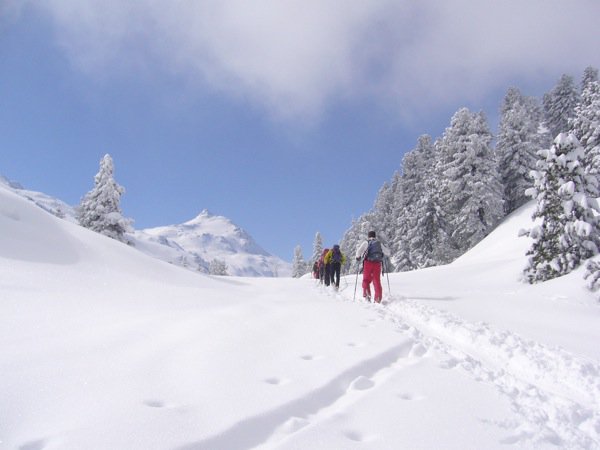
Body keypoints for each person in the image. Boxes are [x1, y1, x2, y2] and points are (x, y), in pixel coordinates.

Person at [355, 231, 389, 303]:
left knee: (366, 280)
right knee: (377, 281)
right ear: (375, 236)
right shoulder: (379, 243)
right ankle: (378, 298)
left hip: (368, 263)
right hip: (377, 264)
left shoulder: (366, 242)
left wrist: (358, 257)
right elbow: (388, 252)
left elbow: (358, 252)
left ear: (368, 236)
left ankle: (367, 295)